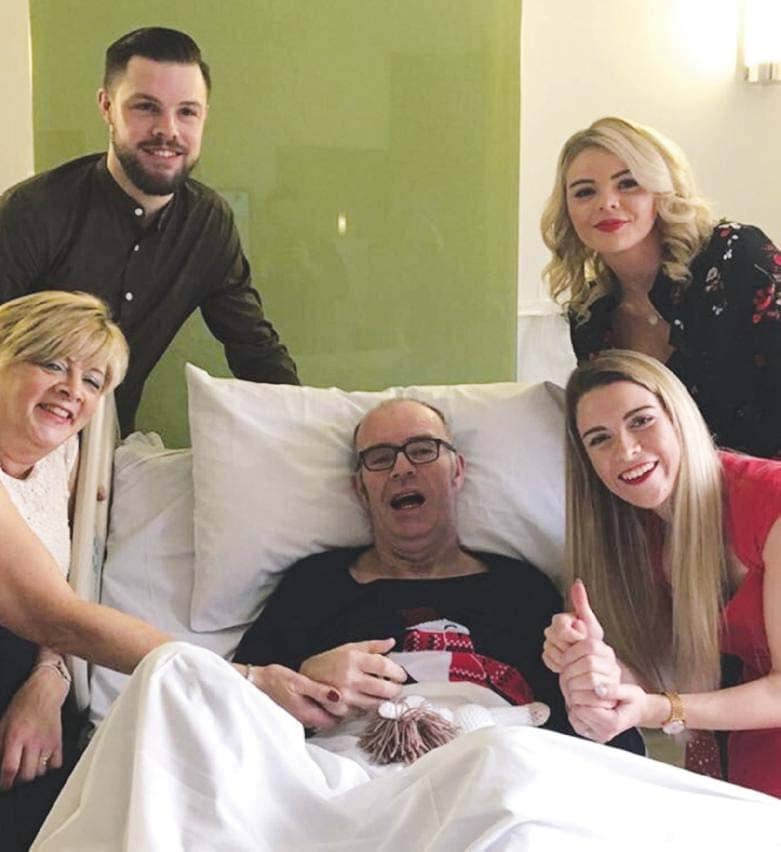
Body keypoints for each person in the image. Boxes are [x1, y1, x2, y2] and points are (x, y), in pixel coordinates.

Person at [233, 398, 641, 750]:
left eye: (423, 450)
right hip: (356, 775)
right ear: (360, 489)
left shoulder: (521, 589)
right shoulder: (315, 585)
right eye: (380, 458)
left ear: (457, 471)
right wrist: (306, 684)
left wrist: (597, 682)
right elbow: (233, 707)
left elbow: (587, 731)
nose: (402, 468)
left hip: (496, 766)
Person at [0, 27, 298, 435]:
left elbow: (255, 351)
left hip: (109, 452)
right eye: (146, 107)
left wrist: (310, 435)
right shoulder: (33, 211)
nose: (168, 130)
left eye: (187, 112)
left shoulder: (209, 224)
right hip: (16, 444)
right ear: (107, 106)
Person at [542, 348, 781, 798]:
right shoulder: (635, 536)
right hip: (749, 735)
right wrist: (597, 667)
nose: (626, 450)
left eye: (641, 421)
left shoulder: (772, 499)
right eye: (599, 439)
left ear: (679, 419)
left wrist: (657, 709)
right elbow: (665, 682)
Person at [541, 116, 781, 458]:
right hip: (682, 488)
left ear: (661, 192)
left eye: (628, 183)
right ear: (568, 211)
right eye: (585, 191)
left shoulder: (734, 254)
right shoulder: (589, 319)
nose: (606, 202)